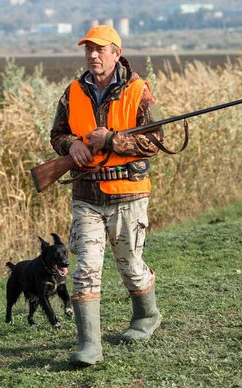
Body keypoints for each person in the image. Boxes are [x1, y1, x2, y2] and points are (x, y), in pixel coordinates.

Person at [49, 25, 164, 367]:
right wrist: (73, 145)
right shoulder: (73, 91)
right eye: (88, 49)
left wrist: (112, 140)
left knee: (130, 265)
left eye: (100, 49)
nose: (93, 55)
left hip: (128, 194)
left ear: (116, 52)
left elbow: (155, 140)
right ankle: (89, 345)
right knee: (86, 268)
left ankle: (146, 317)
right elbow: (57, 134)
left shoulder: (138, 90)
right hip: (86, 195)